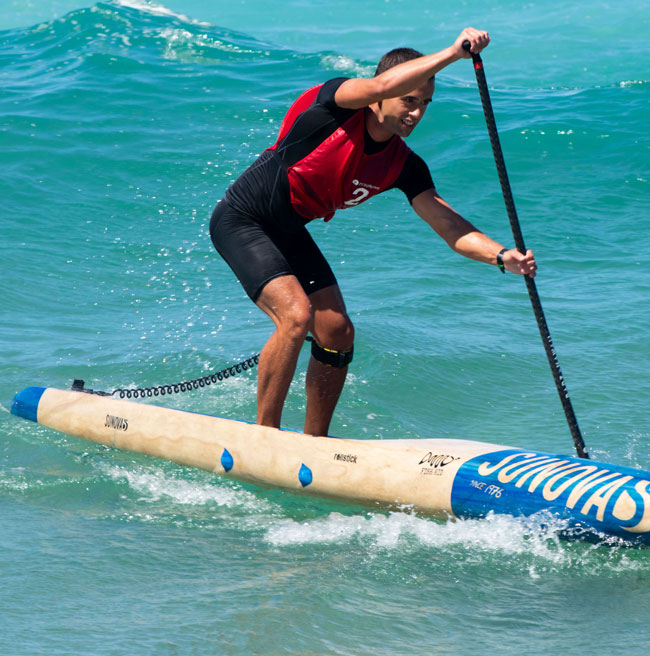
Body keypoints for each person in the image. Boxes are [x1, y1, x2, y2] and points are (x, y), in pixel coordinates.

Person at [210, 28, 536, 437]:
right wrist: (454, 53)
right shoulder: (334, 106)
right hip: (242, 219)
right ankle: (264, 436)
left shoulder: (404, 165)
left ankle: (315, 442)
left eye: (425, 104)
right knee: (296, 316)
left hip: (287, 229)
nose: (416, 113)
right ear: (382, 96)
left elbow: (449, 225)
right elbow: (380, 84)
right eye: (408, 100)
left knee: (337, 332)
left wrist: (502, 256)